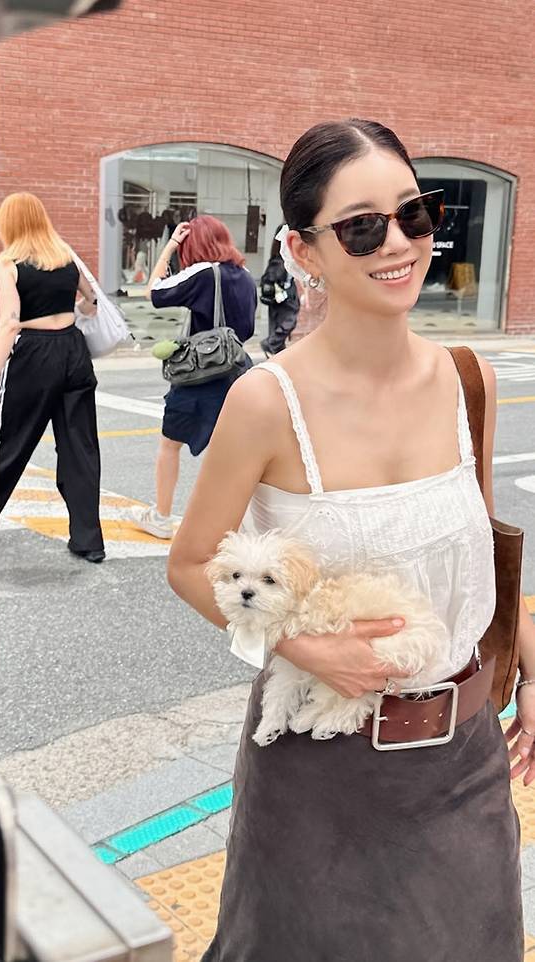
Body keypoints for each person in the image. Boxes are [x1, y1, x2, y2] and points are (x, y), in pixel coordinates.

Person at [167, 120, 534, 961]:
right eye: (362, 227)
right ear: (305, 251)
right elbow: (189, 564)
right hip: (317, 768)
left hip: (464, 761)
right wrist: (302, 647)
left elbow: (480, 554)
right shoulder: (267, 401)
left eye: (414, 213)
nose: (398, 243)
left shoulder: (466, 380)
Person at [0, 192, 105, 563]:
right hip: (73, 349)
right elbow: (91, 301)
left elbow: (9, 322)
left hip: (34, 354)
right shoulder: (64, 254)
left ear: (8, 223)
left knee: (9, 445)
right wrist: (69, 309)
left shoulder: (9, 263)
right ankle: (89, 541)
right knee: (80, 448)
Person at [129, 215, 257, 540]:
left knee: (170, 444)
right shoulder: (245, 275)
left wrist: (170, 246)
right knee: (234, 452)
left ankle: (161, 516)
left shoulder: (204, 272)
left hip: (202, 374)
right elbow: (248, 327)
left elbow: (153, 292)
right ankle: (236, 524)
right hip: (239, 372)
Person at [259, 226, 300, 354]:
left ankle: (276, 348)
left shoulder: (286, 259)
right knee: (288, 322)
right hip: (281, 297)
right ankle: (272, 343)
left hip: (285, 296)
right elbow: (273, 279)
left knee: (279, 323)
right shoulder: (278, 260)